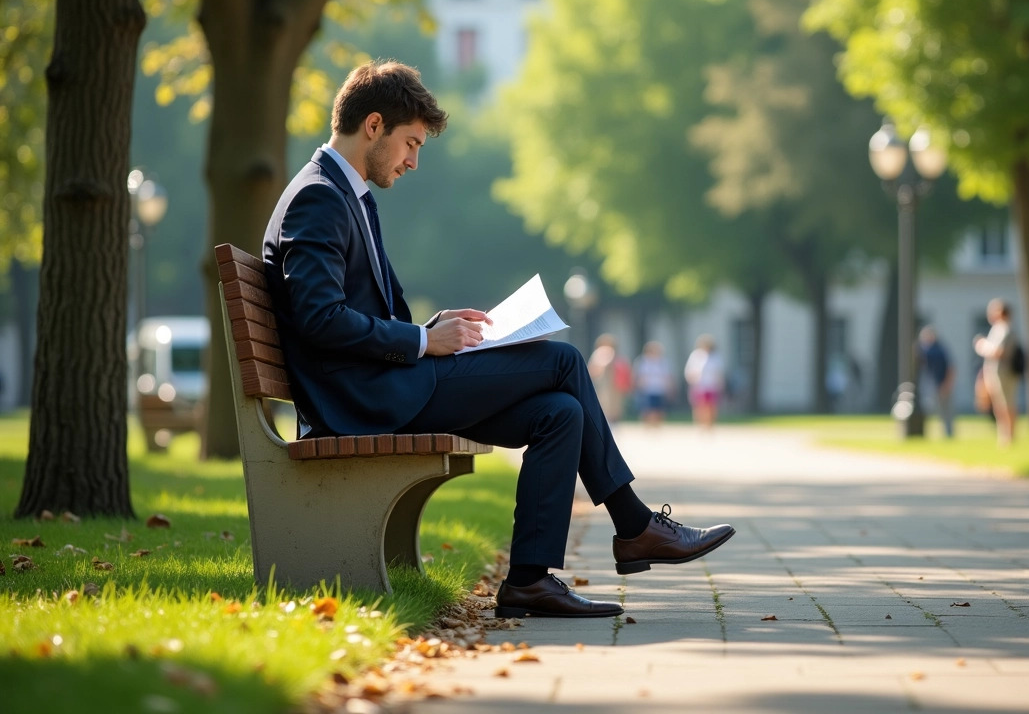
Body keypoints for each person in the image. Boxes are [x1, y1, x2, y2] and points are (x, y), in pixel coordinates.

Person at [262, 61, 734, 619]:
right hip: (363, 400)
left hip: (382, 384)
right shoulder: (320, 197)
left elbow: (350, 310)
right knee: (561, 360)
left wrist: (435, 330)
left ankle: (530, 581)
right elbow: (320, 319)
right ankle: (633, 525)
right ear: (373, 126)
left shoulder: (343, 192)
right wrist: (421, 341)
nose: (413, 161)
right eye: (410, 143)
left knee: (560, 413)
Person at [973, 298, 1019, 447]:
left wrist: (982, 346)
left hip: (1004, 373)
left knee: (1006, 404)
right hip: (996, 373)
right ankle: (1004, 436)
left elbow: (998, 351)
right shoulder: (998, 329)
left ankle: (1009, 437)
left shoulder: (1004, 329)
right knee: (999, 405)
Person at [917, 326, 955, 438]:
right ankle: (926, 433)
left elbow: (950, 368)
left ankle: (948, 433)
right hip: (931, 383)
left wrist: (947, 384)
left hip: (941, 383)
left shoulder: (939, 350)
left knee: (945, 410)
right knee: (929, 408)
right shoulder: (925, 350)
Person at [684, 334, 726, 430]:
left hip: (712, 385)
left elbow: (719, 372)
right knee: (700, 406)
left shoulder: (715, 357)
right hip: (699, 385)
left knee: (712, 406)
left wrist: (721, 384)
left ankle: (710, 424)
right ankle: (701, 424)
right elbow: (689, 370)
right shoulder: (696, 355)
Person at [587, 334, 631, 424]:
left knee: (614, 409)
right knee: (606, 407)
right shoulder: (600, 353)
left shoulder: (615, 356)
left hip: (614, 386)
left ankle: (612, 425)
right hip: (604, 385)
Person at [632, 341, 674, 427]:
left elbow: (668, 376)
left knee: (659, 410)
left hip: (660, 389)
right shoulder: (642, 362)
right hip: (647, 390)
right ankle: (648, 426)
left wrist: (670, 388)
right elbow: (638, 376)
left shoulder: (663, 362)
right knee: (647, 410)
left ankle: (657, 427)